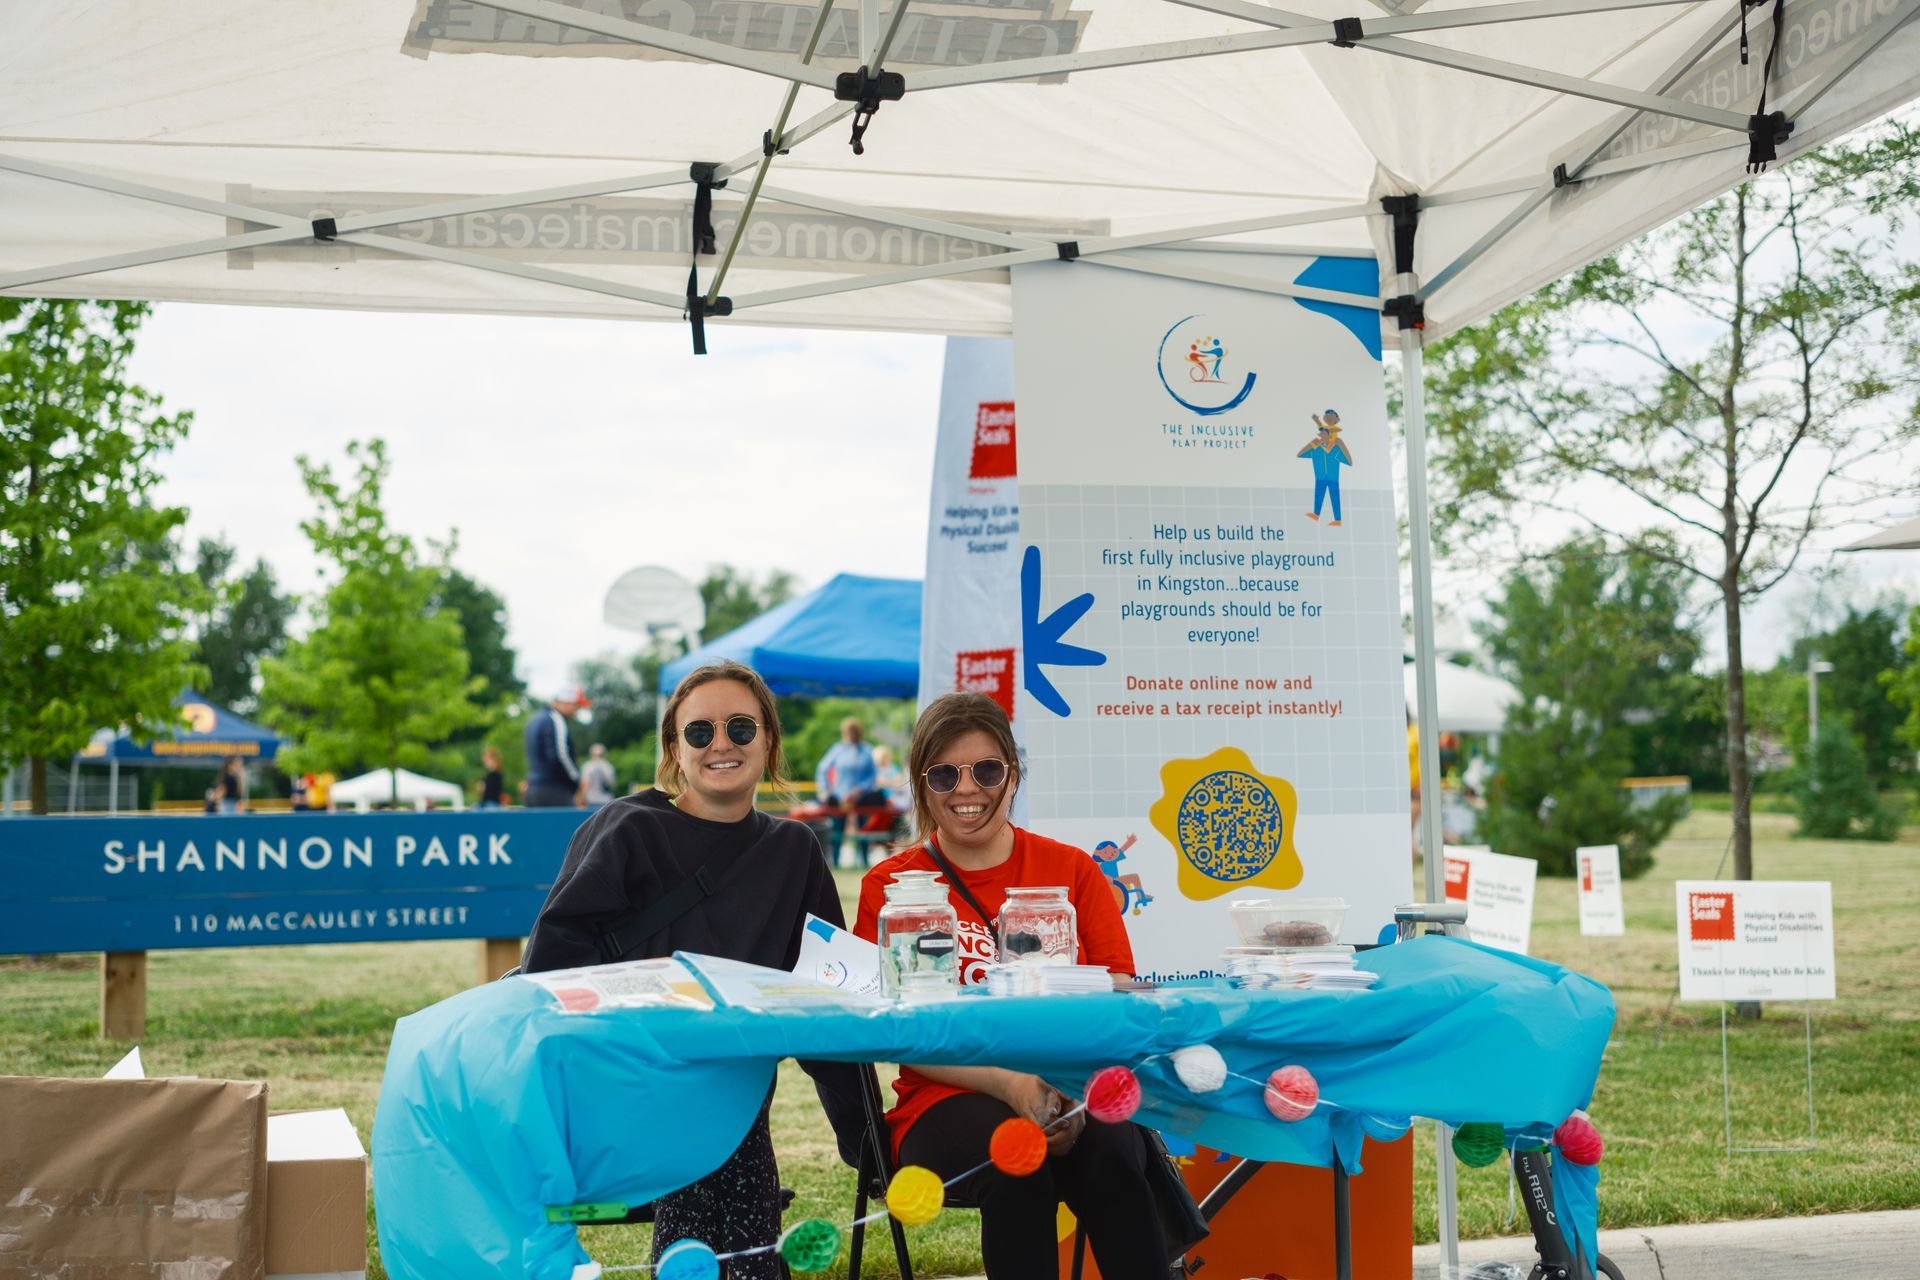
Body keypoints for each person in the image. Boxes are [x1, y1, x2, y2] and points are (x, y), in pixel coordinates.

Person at [521, 660, 862, 1279]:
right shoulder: (626, 829)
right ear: (675, 751)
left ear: (768, 741)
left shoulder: (794, 851)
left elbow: (826, 997)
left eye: (739, 727)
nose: (722, 744)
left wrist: (867, 1141)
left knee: (723, 1118)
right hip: (622, 1084)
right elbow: (551, 967)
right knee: (706, 1120)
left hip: (732, 1105)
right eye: (700, 732)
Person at [854, 693, 1169, 1280]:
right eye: (944, 774)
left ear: (1014, 774)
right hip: (942, 1099)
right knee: (1018, 1155)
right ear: (922, 785)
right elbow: (899, 1033)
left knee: (1113, 1158)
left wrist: (1066, 1096)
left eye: (988, 770)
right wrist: (1014, 1087)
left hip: (1072, 1084)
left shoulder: (1072, 871)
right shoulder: (893, 888)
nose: (966, 789)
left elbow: (1118, 997)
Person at [815, 717, 882, 865]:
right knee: (837, 830)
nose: (850, 735)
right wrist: (825, 790)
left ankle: (864, 861)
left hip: (860, 798)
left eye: (853, 732)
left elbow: (872, 774)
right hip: (840, 797)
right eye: (847, 732)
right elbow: (822, 769)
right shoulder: (838, 749)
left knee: (863, 829)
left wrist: (861, 788)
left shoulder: (866, 750)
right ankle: (834, 862)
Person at [524, 689, 589, 807]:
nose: (576, 712)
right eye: (576, 706)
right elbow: (561, 755)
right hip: (554, 790)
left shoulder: (535, 719)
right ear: (565, 702)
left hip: (533, 789)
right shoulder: (556, 719)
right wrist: (576, 780)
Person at [1298, 410, 1353, 526]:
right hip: (1320, 477)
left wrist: (1341, 444)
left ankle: (1337, 519)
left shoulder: (1336, 449)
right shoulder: (1316, 449)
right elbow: (1300, 454)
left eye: (1323, 434)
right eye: (1320, 435)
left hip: (1333, 478)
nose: (1320, 436)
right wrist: (1312, 444)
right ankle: (1316, 514)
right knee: (1319, 494)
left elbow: (1349, 462)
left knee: (1334, 496)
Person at [581, 742, 617, 806]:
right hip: (607, 801)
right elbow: (612, 785)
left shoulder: (588, 766)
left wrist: (581, 800)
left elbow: (585, 784)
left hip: (591, 801)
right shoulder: (609, 767)